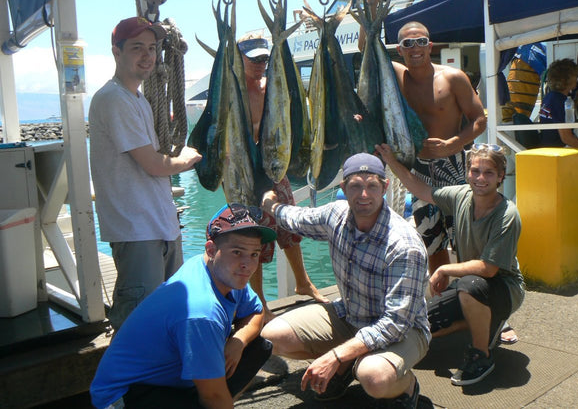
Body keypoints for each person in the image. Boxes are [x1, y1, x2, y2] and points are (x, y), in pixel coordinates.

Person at [261, 153, 430, 407]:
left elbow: (395, 322)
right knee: (271, 336)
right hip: (350, 315)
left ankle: (406, 386)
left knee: (373, 377)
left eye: (372, 186)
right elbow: (298, 220)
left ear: (385, 187)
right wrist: (270, 206)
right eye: (355, 186)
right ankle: (347, 365)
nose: (364, 195)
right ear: (343, 188)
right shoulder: (336, 215)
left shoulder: (404, 245)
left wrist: (336, 356)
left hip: (404, 331)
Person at [90, 204, 275, 409]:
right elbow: (212, 397)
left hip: (167, 381)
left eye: (254, 254)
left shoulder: (220, 271)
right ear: (211, 250)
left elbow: (257, 311)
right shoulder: (202, 311)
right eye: (237, 252)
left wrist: (239, 341)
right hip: (124, 397)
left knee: (259, 347)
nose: (247, 265)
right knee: (213, 398)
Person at [361, 0, 487, 277]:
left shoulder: (453, 77)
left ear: (430, 46)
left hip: (455, 166)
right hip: (418, 169)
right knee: (433, 241)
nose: (414, 49)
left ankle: (475, 297)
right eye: (407, 44)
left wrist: (452, 144)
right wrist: (373, 4)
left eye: (420, 42)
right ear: (400, 49)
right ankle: (445, 300)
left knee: (467, 237)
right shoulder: (396, 75)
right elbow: (366, 47)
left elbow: (479, 120)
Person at [376, 142, 525, 386]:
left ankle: (481, 354)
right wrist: (390, 160)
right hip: (472, 287)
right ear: (467, 173)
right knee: (423, 323)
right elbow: (420, 188)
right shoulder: (460, 196)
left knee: (469, 285)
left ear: (500, 176)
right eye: (475, 171)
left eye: (488, 173)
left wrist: (445, 268)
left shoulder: (507, 214)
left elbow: (489, 269)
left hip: (505, 288)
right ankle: (487, 321)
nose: (480, 178)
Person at [89, 17, 203, 330]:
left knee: (166, 316)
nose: (148, 55)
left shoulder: (137, 99)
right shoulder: (113, 99)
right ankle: (125, 380)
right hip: (136, 230)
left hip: (159, 226)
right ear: (116, 51)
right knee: (137, 324)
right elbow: (153, 165)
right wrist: (186, 158)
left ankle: (158, 377)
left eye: (152, 48)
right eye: (137, 47)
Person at [237, 33, 328, 321]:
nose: (260, 65)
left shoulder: (273, 88)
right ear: (239, 58)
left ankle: (303, 282)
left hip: (276, 169)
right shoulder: (235, 92)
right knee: (254, 239)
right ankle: (260, 302)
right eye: (254, 60)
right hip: (246, 175)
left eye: (265, 59)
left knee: (289, 226)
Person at [538, 58, 578, 185]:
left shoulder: (552, 97)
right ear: (567, 80)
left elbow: (564, 116)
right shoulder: (559, 101)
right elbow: (567, 138)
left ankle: (573, 193)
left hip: (553, 144)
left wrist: (577, 99)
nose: (577, 78)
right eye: (575, 76)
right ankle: (572, 194)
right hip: (559, 148)